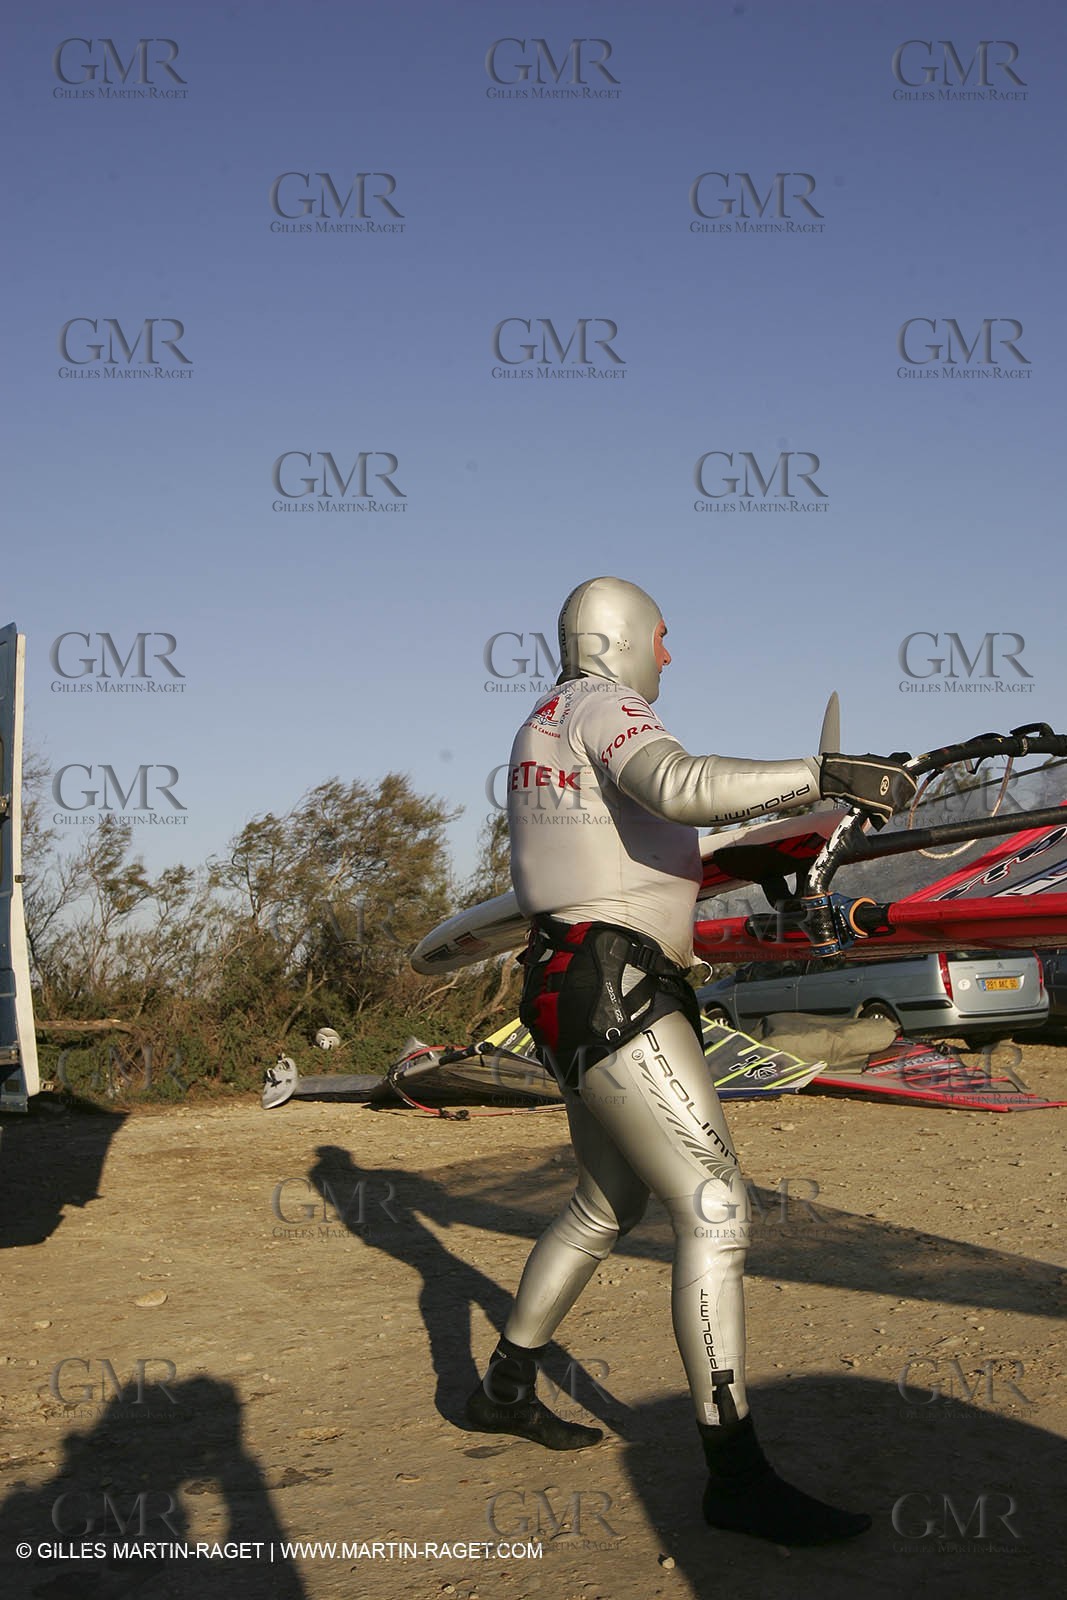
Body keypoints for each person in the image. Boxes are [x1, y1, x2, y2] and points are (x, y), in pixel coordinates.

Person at [465, 577, 915, 1547]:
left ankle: (502, 1386)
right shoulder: (601, 701)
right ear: (622, 636)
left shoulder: (542, 723)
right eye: (663, 637)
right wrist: (823, 772)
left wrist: (766, 849)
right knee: (713, 1206)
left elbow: (647, 842)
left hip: (567, 977)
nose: (669, 655)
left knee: (605, 1203)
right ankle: (734, 1477)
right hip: (614, 982)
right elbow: (677, 785)